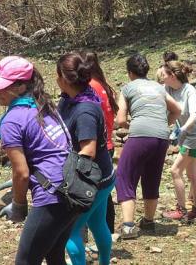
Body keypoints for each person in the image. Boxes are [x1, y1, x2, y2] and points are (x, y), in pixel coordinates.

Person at [0, 56, 79, 264]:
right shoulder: (45, 106)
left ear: (20, 87)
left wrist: (18, 206)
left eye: (1, 87)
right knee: (55, 256)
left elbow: (22, 173)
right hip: (74, 190)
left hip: (52, 196)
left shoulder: (12, 120)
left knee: (25, 262)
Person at [57, 52, 115, 265]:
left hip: (93, 181)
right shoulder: (73, 98)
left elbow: (88, 150)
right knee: (98, 222)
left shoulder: (84, 111)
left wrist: (67, 179)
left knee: (70, 231)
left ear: (64, 79)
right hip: (104, 176)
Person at [115, 54, 181, 239]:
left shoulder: (127, 88)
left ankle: (128, 226)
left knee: (125, 175)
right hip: (161, 137)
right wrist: (163, 123)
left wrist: (132, 125)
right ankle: (148, 221)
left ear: (130, 72)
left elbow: (120, 120)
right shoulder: (158, 87)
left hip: (140, 135)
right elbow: (177, 110)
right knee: (152, 176)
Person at [160, 61, 196, 223]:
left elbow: (194, 115)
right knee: (192, 174)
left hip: (195, 136)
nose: (161, 77)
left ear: (172, 75)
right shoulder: (168, 89)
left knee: (175, 171)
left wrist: (182, 129)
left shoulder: (189, 90)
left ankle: (181, 210)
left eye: (164, 75)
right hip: (188, 136)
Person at [82, 51, 118, 236]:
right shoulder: (104, 85)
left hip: (98, 145)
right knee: (104, 193)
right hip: (108, 144)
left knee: (90, 192)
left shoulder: (90, 87)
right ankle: (107, 232)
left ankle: (90, 233)